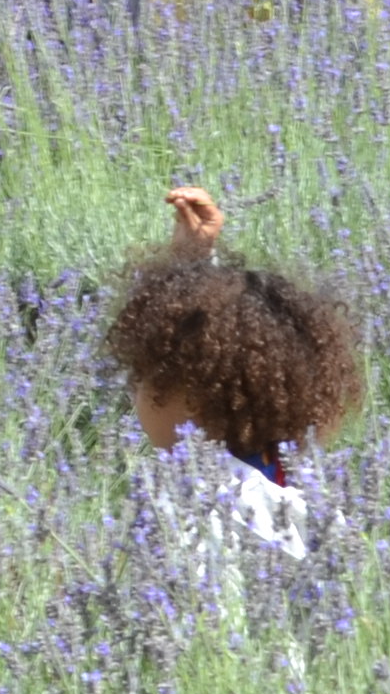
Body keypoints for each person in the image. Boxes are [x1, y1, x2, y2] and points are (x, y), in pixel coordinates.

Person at [103, 186, 363, 581]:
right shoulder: (287, 474)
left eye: (143, 379)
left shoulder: (196, 508)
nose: (134, 393)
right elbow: (225, 347)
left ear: (191, 398)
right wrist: (191, 260)